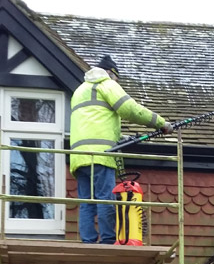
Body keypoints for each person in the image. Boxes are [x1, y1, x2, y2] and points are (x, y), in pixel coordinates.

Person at [69, 55, 173, 244]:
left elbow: (94, 120)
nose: (117, 82)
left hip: (78, 156)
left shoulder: (80, 90)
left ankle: (88, 241)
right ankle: (108, 240)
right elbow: (130, 109)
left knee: (86, 201)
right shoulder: (107, 85)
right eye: (116, 79)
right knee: (105, 198)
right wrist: (161, 123)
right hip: (101, 154)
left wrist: (118, 138)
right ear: (111, 73)